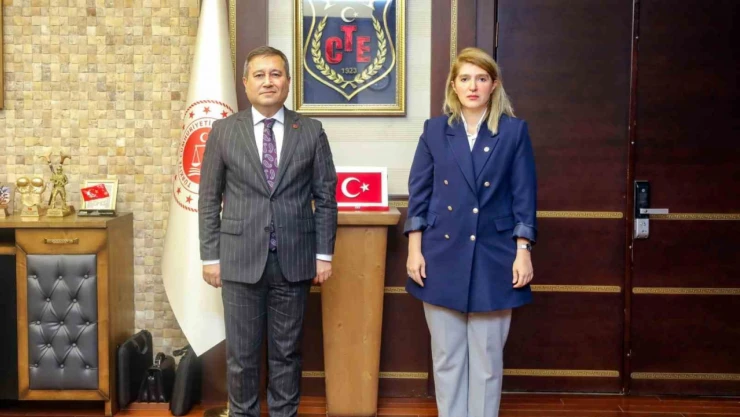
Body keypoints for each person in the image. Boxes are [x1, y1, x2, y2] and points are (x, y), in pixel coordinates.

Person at [198, 46, 338, 417]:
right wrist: (210, 257)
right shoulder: (224, 131)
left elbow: (326, 198)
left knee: (287, 354)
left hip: (294, 261)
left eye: (276, 74)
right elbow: (209, 199)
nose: (268, 82)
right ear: (245, 83)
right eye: (259, 75)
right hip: (239, 260)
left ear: (288, 82)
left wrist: (324, 255)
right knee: (241, 356)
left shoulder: (311, 131)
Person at [405, 47, 537, 417]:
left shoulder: (513, 131)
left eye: (481, 78)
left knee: (487, 359)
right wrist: (414, 250)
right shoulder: (435, 130)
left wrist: (523, 251)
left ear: (494, 85)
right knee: (447, 357)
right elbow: (419, 194)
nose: (473, 86)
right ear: (454, 85)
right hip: (440, 253)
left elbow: (524, 196)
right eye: (465, 78)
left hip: (495, 255)